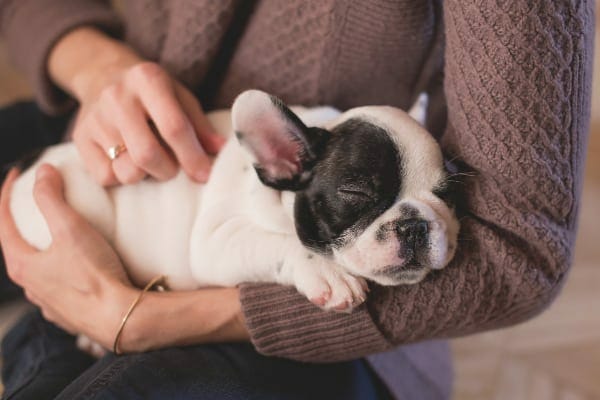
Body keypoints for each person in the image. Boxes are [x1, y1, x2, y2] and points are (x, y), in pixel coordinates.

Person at [0, 0, 594, 399]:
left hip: (316, 335)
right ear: (280, 162)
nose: (415, 225)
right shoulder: (293, 157)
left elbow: (520, 251)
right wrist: (94, 64)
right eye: (365, 199)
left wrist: (137, 321)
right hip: (97, 161)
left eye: (441, 198)